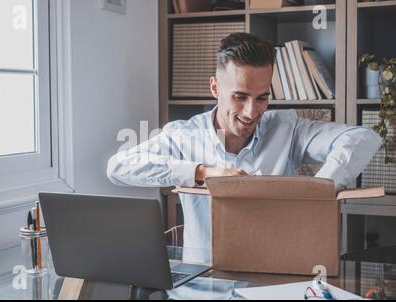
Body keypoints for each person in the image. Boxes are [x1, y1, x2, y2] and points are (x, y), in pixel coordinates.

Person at [107, 32, 382, 253]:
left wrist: (318, 190)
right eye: (239, 96)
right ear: (215, 88)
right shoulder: (184, 134)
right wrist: (202, 172)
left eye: (262, 97)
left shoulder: (287, 128)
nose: (252, 112)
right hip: (204, 281)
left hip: (271, 278)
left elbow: (362, 138)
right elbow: (118, 167)